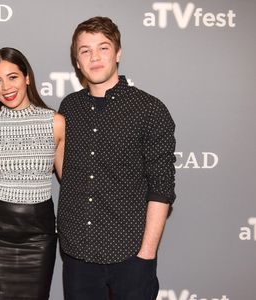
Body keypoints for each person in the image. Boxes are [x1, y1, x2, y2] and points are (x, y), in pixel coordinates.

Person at [58, 16, 176, 300]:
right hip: (77, 254)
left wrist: (146, 254)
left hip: (130, 255)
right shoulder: (69, 108)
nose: (94, 57)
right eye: (85, 50)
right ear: (77, 61)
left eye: (103, 47)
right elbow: (67, 171)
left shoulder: (149, 109)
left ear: (118, 52)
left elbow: (162, 189)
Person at [0, 47, 65, 300]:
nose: (6, 87)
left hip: (39, 233)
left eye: (13, 77)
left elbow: (70, 180)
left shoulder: (55, 123)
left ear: (27, 77)